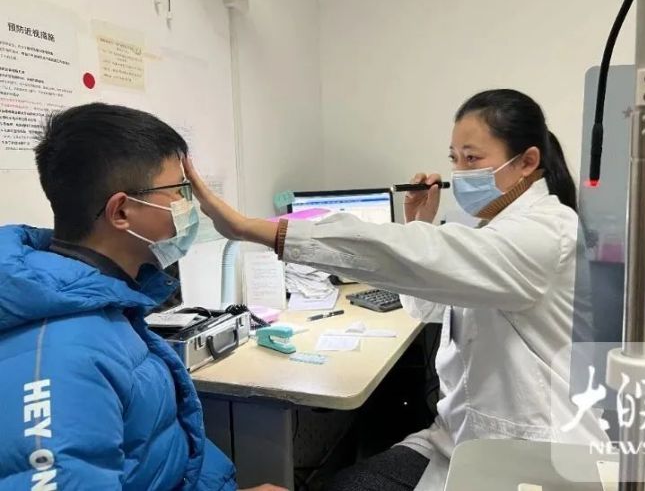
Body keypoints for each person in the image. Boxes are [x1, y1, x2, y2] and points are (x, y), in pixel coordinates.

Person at [184, 89, 607, 490]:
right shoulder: (500, 230)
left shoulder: (545, 232)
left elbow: (428, 255)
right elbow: (426, 305)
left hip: (535, 450)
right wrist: (419, 222)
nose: (460, 172)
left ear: (527, 162)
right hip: (465, 437)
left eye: (473, 158)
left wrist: (258, 229)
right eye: (455, 158)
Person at [0, 103, 285, 491]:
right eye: (180, 191)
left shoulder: (108, 301)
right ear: (121, 212)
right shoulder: (62, 354)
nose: (191, 205)